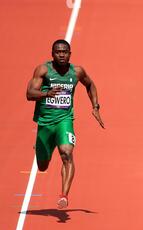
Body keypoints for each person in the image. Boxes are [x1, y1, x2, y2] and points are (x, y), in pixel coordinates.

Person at [26, 39, 104, 209]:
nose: (61, 54)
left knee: (67, 153)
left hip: (65, 120)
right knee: (42, 166)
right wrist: (46, 94)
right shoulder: (43, 70)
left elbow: (90, 85)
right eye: (58, 52)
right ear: (52, 54)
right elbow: (29, 94)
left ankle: (64, 195)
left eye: (65, 52)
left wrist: (95, 107)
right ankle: (44, 145)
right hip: (45, 122)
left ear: (70, 54)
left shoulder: (77, 72)